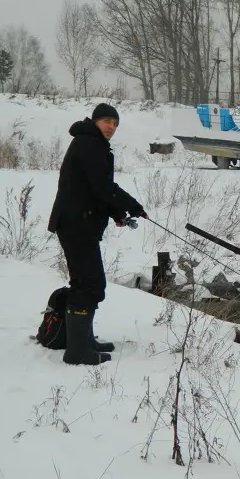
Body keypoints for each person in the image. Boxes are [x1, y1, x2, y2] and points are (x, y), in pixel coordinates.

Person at [48, 103, 147, 366]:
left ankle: (83, 341)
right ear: (95, 121)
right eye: (107, 121)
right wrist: (132, 206)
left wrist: (117, 214)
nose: (111, 127)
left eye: (115, 124)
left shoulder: (91, 143)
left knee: (86, 283)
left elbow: (94, 189)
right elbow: (103, 186)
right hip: (76, 223)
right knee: (89, 285)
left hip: (80, 222)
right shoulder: (88, 144)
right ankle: (77, 351)